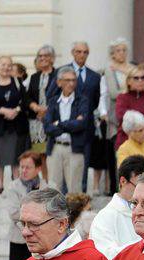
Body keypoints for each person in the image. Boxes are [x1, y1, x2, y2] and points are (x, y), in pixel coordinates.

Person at [47, 42, 103, 192]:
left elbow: (94, 103)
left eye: (85, 52)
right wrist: (70, 123)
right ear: (72, 52)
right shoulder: (60, 71)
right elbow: (50, 97)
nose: (82, 55)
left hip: (83, 133)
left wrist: (60, 123)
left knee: (78, 176)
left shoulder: (95, 76)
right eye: (78, 51)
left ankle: (79, 203)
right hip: (57, 142)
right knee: (56, 184)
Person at [88, 154, 144, 260]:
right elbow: (104, 255)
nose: (143, 193)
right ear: (123, 181)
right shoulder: (105, 216)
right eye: (138, 187)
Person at [43, 67, 91, 194]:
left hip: (74, 148)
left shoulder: (82, 100)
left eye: (74, 80)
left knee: (74, 190)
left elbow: (81, 124)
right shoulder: (53, 101)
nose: (71, 83)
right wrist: (70, 125)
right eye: (67, 80)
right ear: (59, 82)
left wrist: (58, 124)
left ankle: (74, 214)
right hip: (55, 148)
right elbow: (47, 127)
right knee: (53, 189)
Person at [3, 151, 47, 260]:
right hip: (19, 239)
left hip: (42, 239)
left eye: (28, 167)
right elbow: (14, 213)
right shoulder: (13, 187)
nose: (23, 170)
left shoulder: (48, 187)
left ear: (38, 168)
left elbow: (52, 212)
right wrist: (37, 217)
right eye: (21, 167)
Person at [0, 56, 24, 194]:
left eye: (9, 65)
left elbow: (23, 100)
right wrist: (4, 111)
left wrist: (16, 111)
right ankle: (0, 184)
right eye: (3, 64)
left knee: (15, 157)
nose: (6, 67)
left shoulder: (17, 81)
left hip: (15, 124)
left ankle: (17, 185)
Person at [99, 39, 132, 184]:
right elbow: (113, 93)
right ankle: (116, 184)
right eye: (119, 50)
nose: (122, 53)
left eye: (124, 50)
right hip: (116, 115)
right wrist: (131, 90)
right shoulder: (110, 69)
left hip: (134, 112)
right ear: (112, 54)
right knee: (116, 150)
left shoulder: (132, 67)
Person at [24, 46, 56, 167]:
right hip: (37, 123)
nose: (42, 58)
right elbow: (27, 97)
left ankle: (53, 183)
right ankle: (44, 182)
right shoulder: (34, 77)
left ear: (52, 58)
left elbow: (60, 95)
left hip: (53, 120)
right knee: (40, 155)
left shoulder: (58, 75)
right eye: (40, 56)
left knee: (52, 154)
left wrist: (47, 110)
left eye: (46, 56)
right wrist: (35, 107)